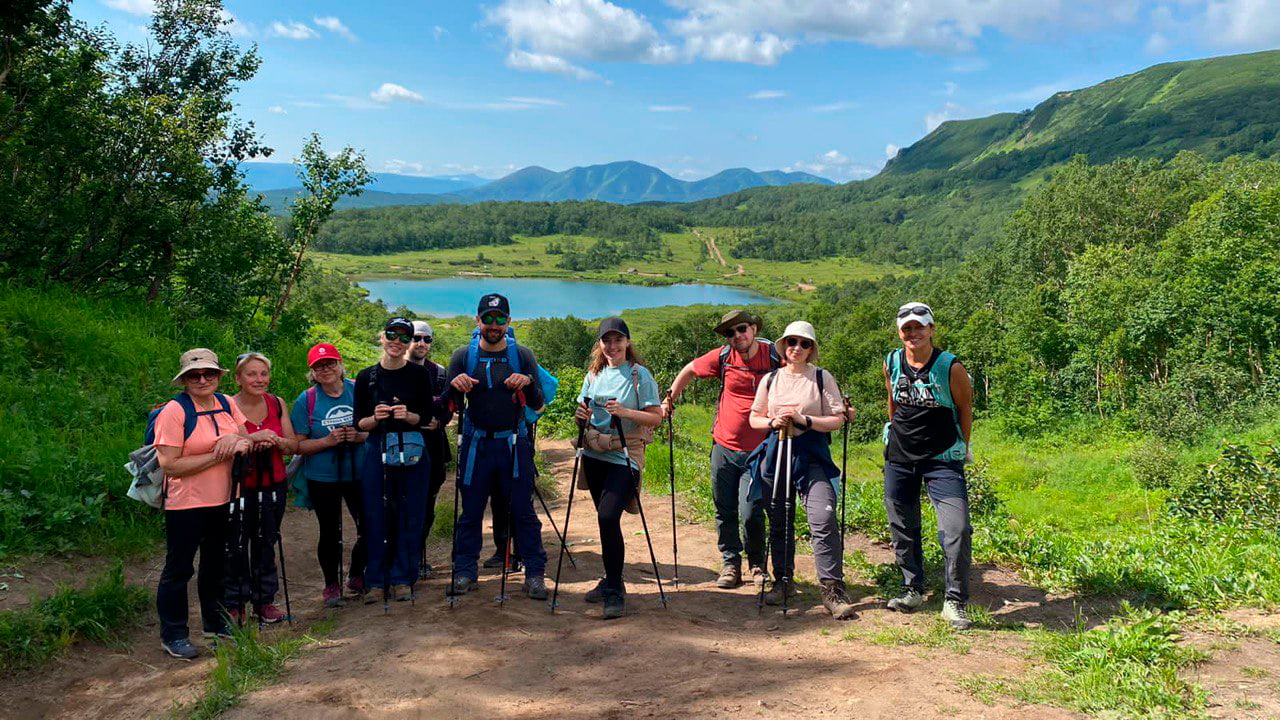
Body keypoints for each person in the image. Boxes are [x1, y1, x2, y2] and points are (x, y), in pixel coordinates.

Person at [661, 309, 780, 589]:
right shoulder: (724, 357)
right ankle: (730, 563)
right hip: (724, 447)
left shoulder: (775, 356)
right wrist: (669, 400)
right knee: (724, 508)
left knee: (751, 512)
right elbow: (690, 369)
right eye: (730, 332)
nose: (737, 336)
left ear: (753, 329)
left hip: (760, 450)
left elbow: (802, 374)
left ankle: (757, 564)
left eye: (742, 329)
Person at [747, 321, 857, 619]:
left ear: (811, 349)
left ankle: (832, 589)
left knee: (823, 518)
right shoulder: (771, 379)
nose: (797, 348)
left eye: (804, 343)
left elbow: (837, 418)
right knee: (779, 520)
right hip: (776, 451)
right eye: (791, 342)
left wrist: (804, 420)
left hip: (811, 454)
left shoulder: (821, 377)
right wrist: (773, 422)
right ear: (784, 346)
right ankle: (783, 580)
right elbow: (755, 418)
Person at [445, 293, 549, 600]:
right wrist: (454, 387)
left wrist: (528, 383)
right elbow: (447, 406)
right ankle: (465, 572)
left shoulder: (523, 356)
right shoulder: (463, 357)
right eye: (488, 318)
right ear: (477, 320)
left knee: (523, 511)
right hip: (476, 445)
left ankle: (534, 574)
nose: (494, 324)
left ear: (508, 321)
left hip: (514, 444)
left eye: (500, 318)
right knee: (471, 511)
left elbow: (538, 404)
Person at [152, 348, 252, 659]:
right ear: (184, 380)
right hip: (186, 504)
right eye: (194, 375)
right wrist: (218, 454)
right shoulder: (174, 411)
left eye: (209, 373)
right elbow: (170, 464)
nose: (202, 379)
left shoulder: (227, 403)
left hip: (225, 498)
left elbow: (246, 439)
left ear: (219, 376)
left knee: (216, 565)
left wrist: (235, 441)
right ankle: (174, 634)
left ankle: (216, 625)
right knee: (179, 568)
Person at [882, 302, 974, 630]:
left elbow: (965, 408)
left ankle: (955, 600)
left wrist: (962, 447)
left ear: (932, 329)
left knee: (957, 527)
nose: (913, 333)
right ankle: (912, 589)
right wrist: (893, 437)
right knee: (903, 525)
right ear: (899, 332)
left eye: (919, 326)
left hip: (942, 458)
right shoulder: (892, 361)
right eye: (906, 328)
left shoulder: (951, 367)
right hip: (900, 456)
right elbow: (893, 402)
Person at [572, 317, 662, 619]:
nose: (612, 346)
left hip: (626, 454)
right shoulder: (594, 374)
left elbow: (656, 417)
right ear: (600, 344)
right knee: (605, 522)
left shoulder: (639, 374)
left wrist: (625, 412)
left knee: (608, 515)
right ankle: (613, 580)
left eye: (618, 340)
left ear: (627, 342)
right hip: (594, 454)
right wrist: (581, 417)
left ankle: (613, 591)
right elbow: (583, 413)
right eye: (606, 341)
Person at [354, 318, 437, 603]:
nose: (397, 342)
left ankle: (403, 577)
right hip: (377, 447)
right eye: (392, 334)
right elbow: (358, 422)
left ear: (409, 342)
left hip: (411, 448)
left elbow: (426, 416)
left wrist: (409, 416)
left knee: (410, 513)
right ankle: (376, 580)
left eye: (404, 337)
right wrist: (374, 418)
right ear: (382, 337)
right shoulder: (366, 377)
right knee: (375, 514)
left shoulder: (419, 375)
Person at [290, 343, 368, 607]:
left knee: (368, 526)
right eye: (319, 366)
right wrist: (327, 441)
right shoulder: (306, 400)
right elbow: (298, 445)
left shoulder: (359, 390)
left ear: (340, 365)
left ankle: (357, 574)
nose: (325, 369)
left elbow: (375, 427)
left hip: (359, 472)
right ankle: (331, 585)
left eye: (330, 363)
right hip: (322, 476)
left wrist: (359, 436)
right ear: (312, 372)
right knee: (330, 531)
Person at [224, 352, 299, 625]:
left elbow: (292, 445)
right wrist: (253, 439)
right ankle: (235, 602)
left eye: (263, 373)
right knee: (235, 542)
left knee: (266, 540)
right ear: (238, 378)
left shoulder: (276, 403)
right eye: (251, 374)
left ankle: (264, 600)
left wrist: (275, 441)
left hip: (273, 481)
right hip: (238, 485)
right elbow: (222, 442)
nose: (259, 379)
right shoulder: (226, 405)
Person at [408, 320, 453, 576]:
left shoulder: (439, 373)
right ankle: (401, 559)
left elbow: (449, 406)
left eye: (427, 339)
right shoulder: (393, 370)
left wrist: (440, 421)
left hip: (434, 449)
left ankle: (417, 557)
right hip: (402, 449)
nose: (421, 343)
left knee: (427, 506)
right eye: (416, 338)